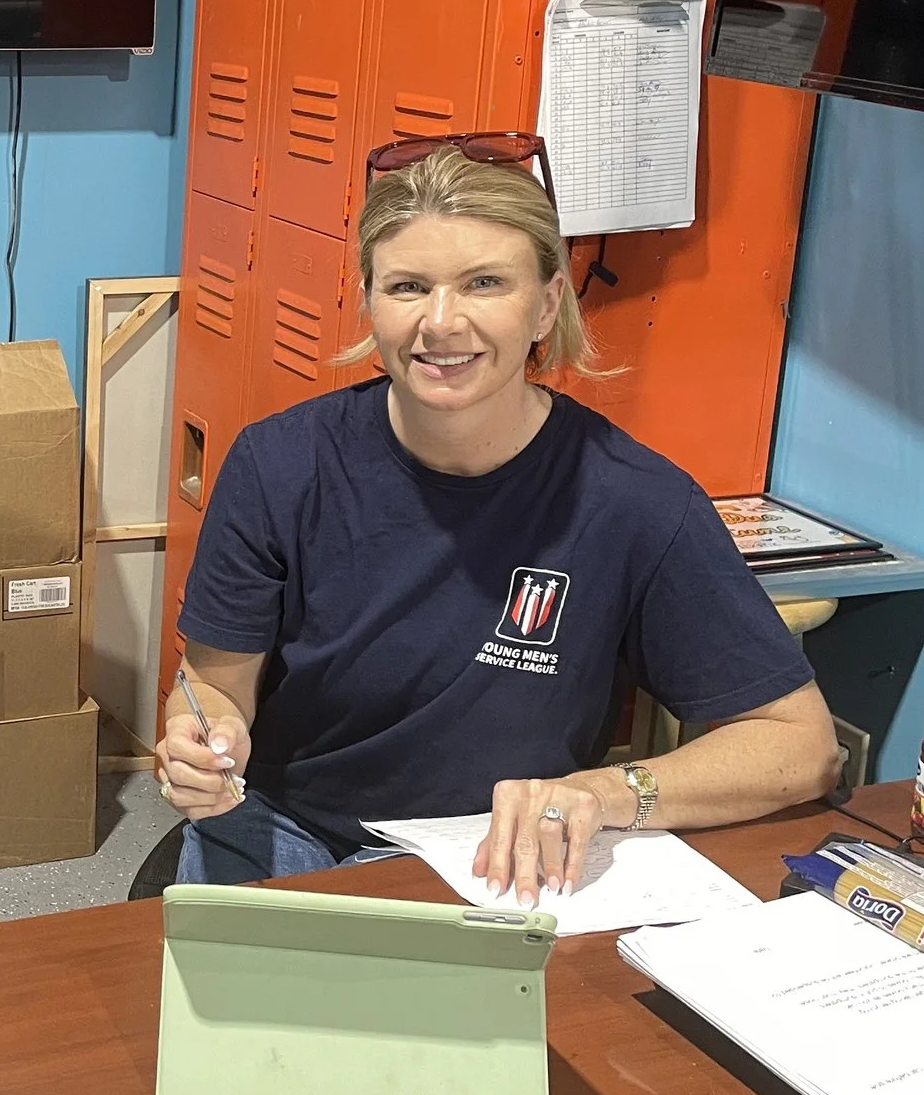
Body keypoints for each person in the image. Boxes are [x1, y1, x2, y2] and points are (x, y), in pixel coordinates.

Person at [158, 141, 837, 901]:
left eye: (485, 283)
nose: (441, 322)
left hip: (495, 853)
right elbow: (212, 686)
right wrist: (204, 738)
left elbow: (801, 746)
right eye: (408, 286)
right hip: (288, 827)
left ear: (547, 303)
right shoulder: (280, 464)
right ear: (368, 301)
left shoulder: (636, 501)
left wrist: (607, 791)